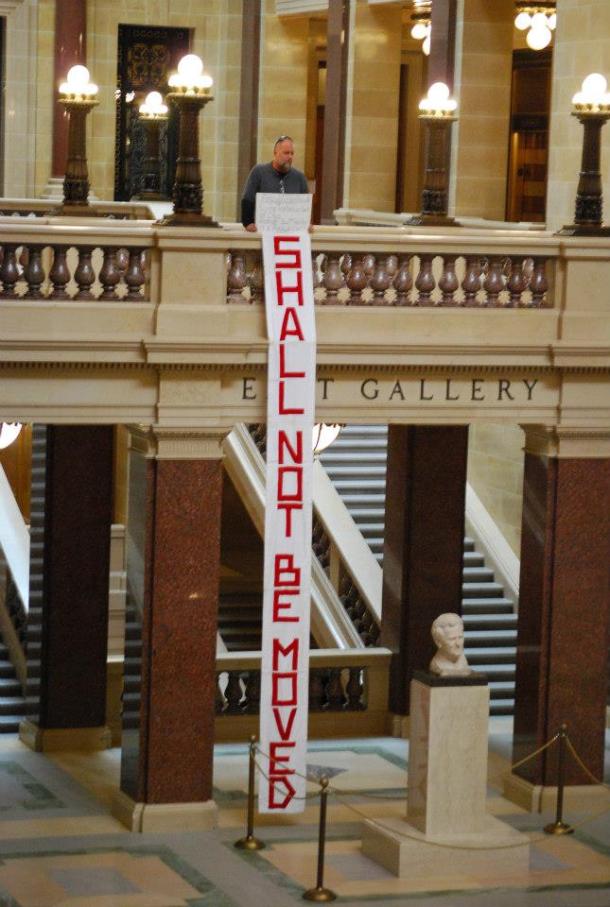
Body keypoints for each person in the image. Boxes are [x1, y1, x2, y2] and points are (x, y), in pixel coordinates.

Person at [241, 135, 309, 231]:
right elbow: (248, 199)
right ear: (275, 153)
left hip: (291, 234)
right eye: (286, 153)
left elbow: (305, 206)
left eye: (292, 153)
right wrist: (248, 223)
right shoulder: (259, 172)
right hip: (264, 233)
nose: (290, 156)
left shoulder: (299, 177)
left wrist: (306, 223)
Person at [429, 612, 472, 677]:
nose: (458, 644)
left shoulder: (463, 663)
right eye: (452, 639)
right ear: (438, 642)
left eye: (460, 637)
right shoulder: (437, 665)